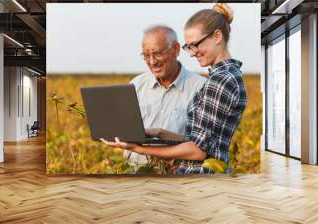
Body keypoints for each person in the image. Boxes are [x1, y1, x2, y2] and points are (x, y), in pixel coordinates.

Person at [103, 4, 247, 175]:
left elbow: (199, 150)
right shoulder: (226, 76)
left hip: (199, 178)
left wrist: (140, 149)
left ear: (217, 36)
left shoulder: (220, 81)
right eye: (189, 47)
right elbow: (205, 141)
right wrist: (158, 133)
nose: (192, 53)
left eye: (195, 45)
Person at [124, 25, 206, 164]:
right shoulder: (136, 85)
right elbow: (124, 129)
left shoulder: (201, 88)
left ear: (176, 49)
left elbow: (203, 144)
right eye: (146, 55)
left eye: (157, 53)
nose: (152, 61)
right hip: (134, 174)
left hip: (178, 179)